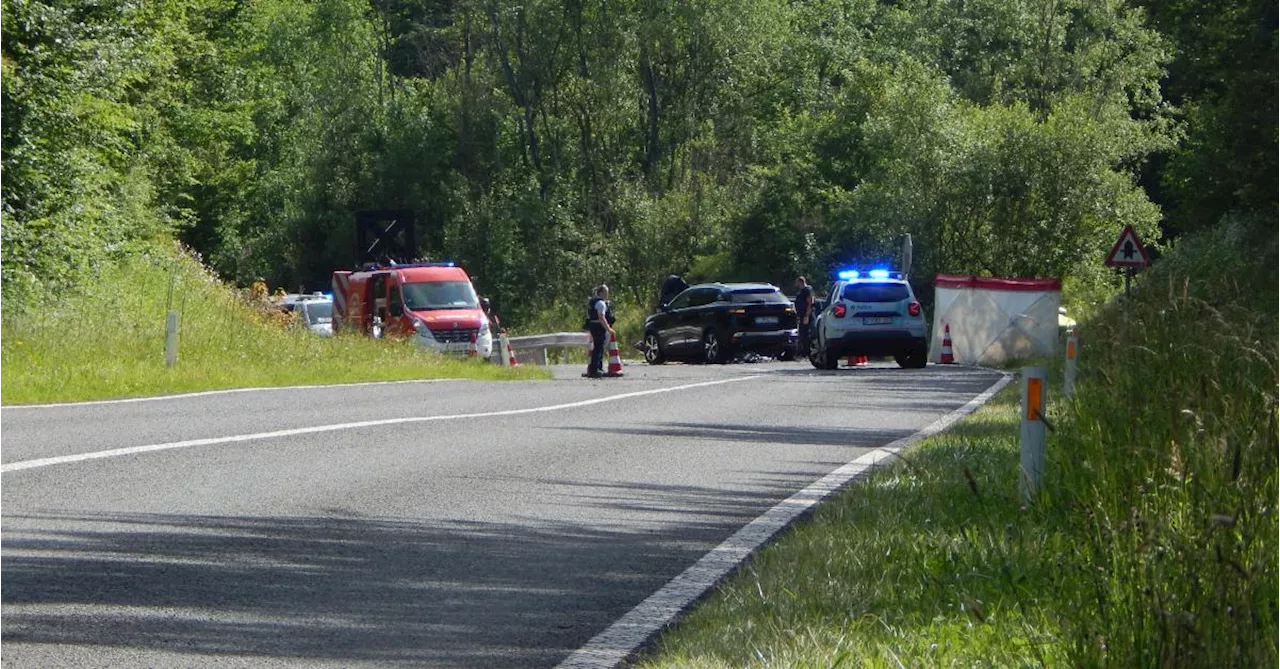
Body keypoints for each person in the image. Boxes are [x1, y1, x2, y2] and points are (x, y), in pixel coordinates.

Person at [584, 284, 616, 378]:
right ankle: (594, 370)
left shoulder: (593, 302)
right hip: (598, 327)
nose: (607, 295)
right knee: (598, 348)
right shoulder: (601, 303)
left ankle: (598, 368)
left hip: (594, 326)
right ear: (601, 293)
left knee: (599, 348)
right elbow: (601, 317)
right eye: (606, 293)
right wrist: (608, 329)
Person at [794, 276, 815, 357]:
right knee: (802, 334)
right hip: (802, 315)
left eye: (797, 282)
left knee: (806, 334)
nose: (796, 284)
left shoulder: (807, 290)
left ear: (801, 282)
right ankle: (803, 352)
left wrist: (807, 315)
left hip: (807, 315)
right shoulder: (801, 291)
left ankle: (807, 352)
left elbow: (810, 302)